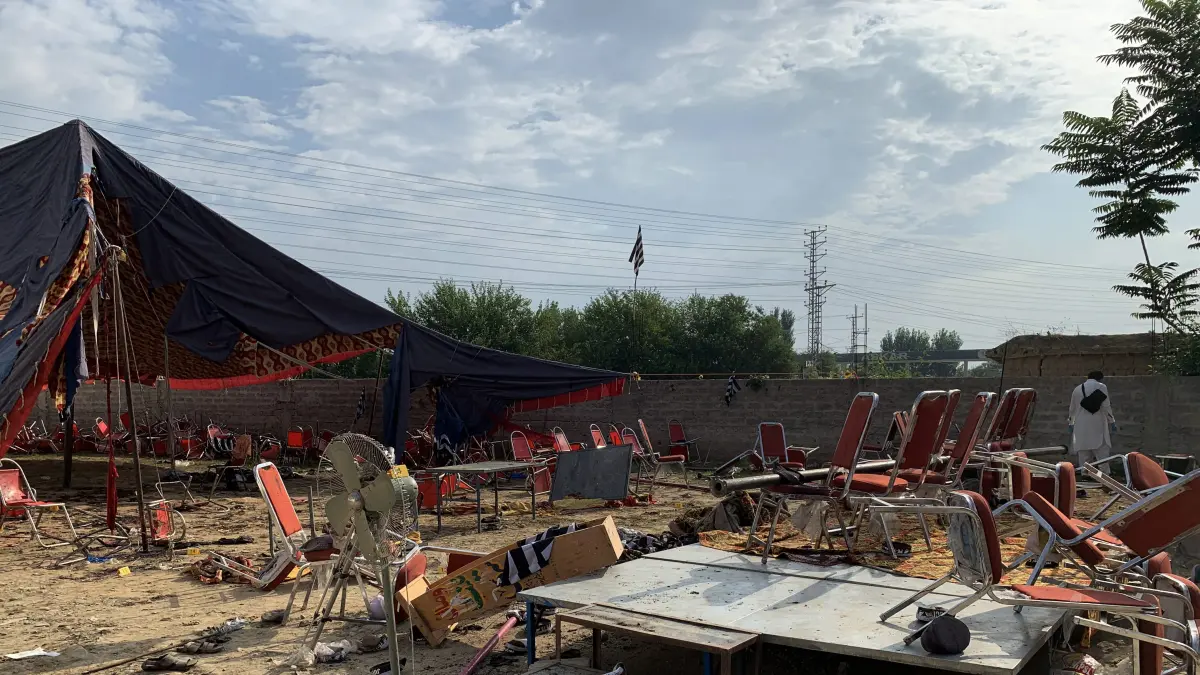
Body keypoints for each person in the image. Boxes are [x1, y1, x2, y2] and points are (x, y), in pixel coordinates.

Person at [1068, 370, 1118, 465]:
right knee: (1102, 454)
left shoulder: (1077, 389)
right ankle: (1104, 472)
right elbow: (1106, 406)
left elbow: (1072, 409)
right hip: (1097, 424)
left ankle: (1084, 472)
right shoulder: (1101, 387)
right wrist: (1112, 421)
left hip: (1080, 426)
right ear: (1100, 378)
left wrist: (1071, 423)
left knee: (1084, 457)